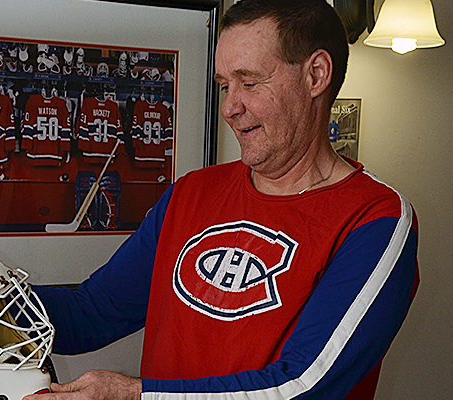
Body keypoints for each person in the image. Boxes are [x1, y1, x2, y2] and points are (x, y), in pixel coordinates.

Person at [25, 0, 419, 399]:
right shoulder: (192, 193)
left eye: (249, 82)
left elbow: (304, 387)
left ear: (315, 75)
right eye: (225, 86)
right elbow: (89, 314)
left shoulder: (375, 218)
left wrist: (136, 395)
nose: (230, 108)